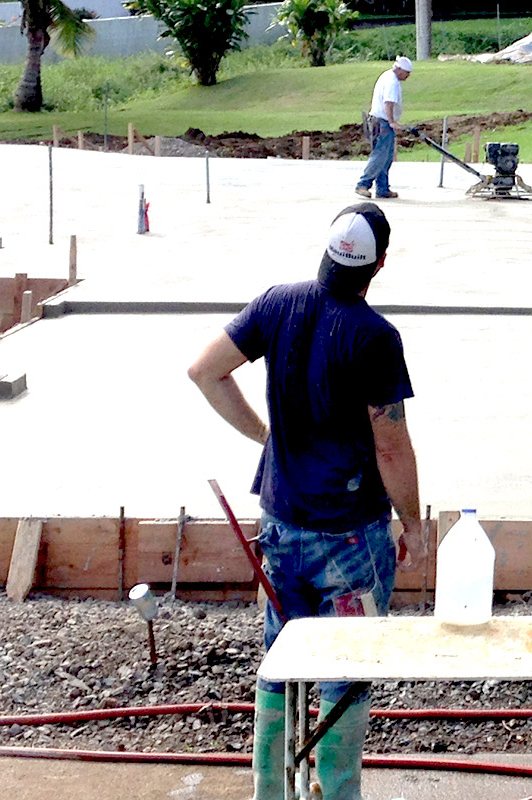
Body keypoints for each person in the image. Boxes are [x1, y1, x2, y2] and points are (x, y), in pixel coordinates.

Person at [187, 202, 424, 800]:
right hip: (352, 539)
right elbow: (391, 445)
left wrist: (266, 435)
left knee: (282, 661)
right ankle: (337, 793)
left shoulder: (276, 304)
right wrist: (414, 524)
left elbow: (204, 371)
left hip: (283, 528)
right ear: (380, 265)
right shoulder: (374, 337)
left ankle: (274, 789)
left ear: (325, 252)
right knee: (346, 672)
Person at [356, 57, 412, 200]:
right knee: (380, 155)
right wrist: (392, 121)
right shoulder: (392, 82)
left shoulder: (387, 75)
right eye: (406, 73)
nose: (408, 76)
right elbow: (388, 103)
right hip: (382, 122)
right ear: (399, 69)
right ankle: (363, 184)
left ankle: (382, 188)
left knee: (386, 157)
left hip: (378, 121)